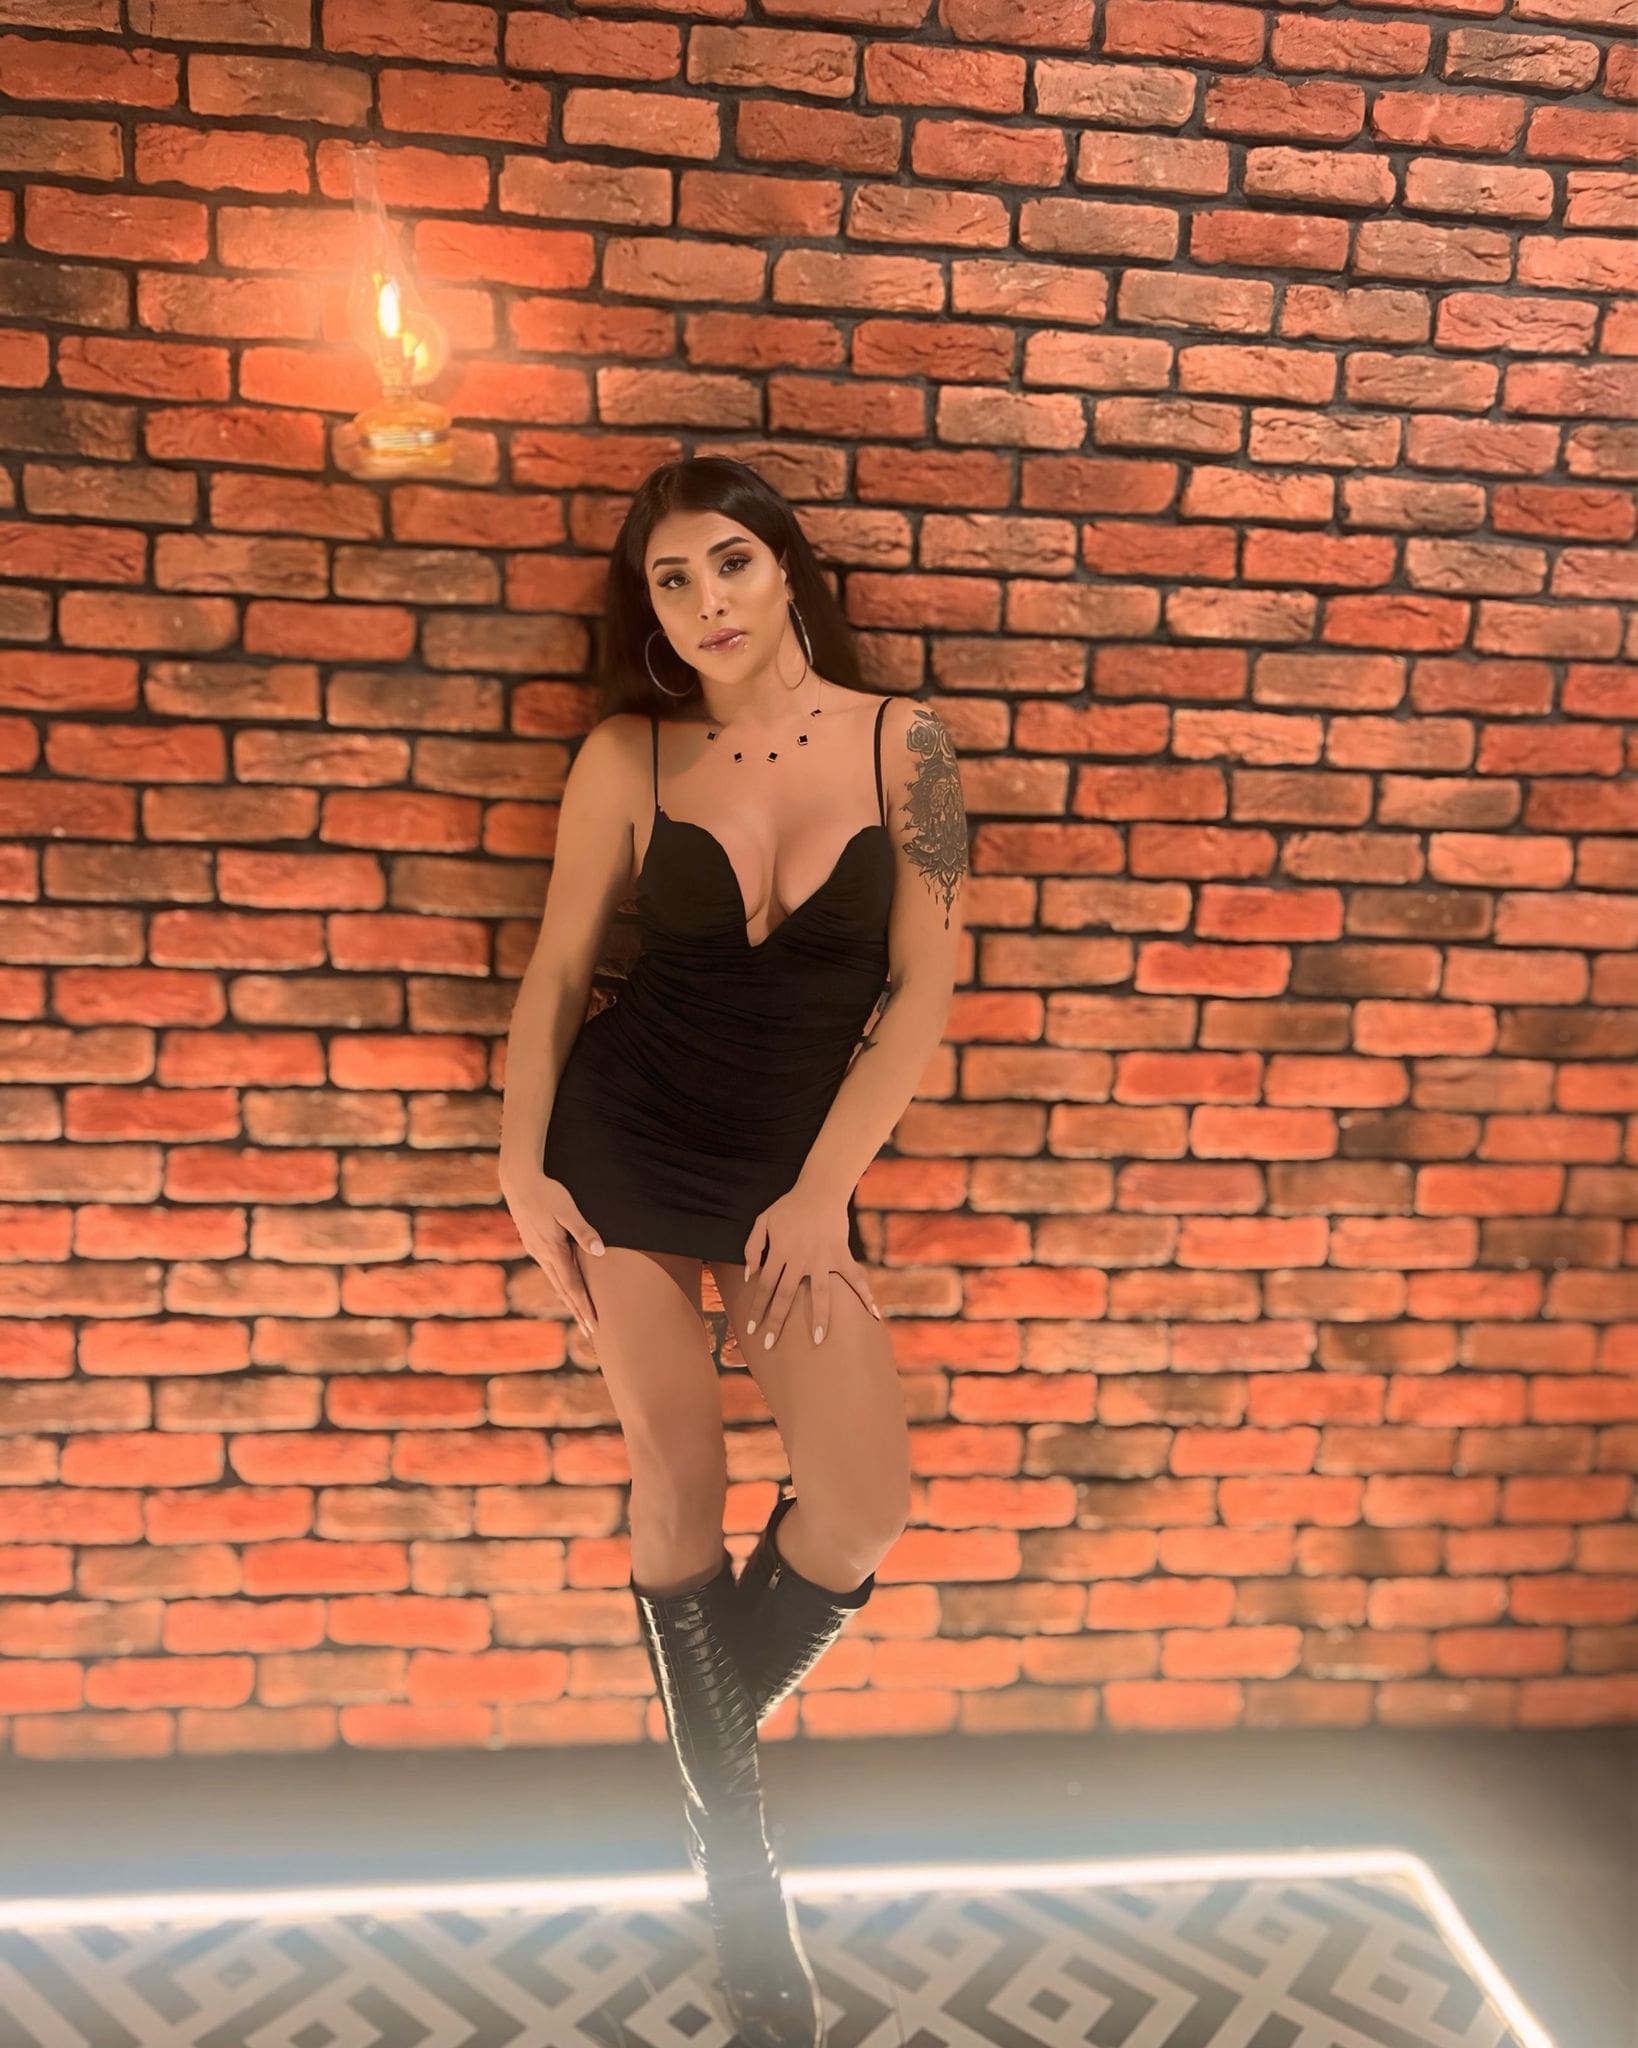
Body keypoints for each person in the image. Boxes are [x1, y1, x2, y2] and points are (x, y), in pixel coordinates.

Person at [499, 455, 968, 2044]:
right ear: (647, 608)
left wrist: (825, 1190)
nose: (704, 601)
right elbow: (559, 969)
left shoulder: (907, 746)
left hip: (791, 1166)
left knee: (862, 1502)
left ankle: (701, 1737)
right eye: (671, 578)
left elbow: (922, 990)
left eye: (729, 564)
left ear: (785, 570)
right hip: (623, 1138)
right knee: (679, 1481)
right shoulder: (628, 754)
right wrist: (518, 1163)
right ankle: (740, 1881)